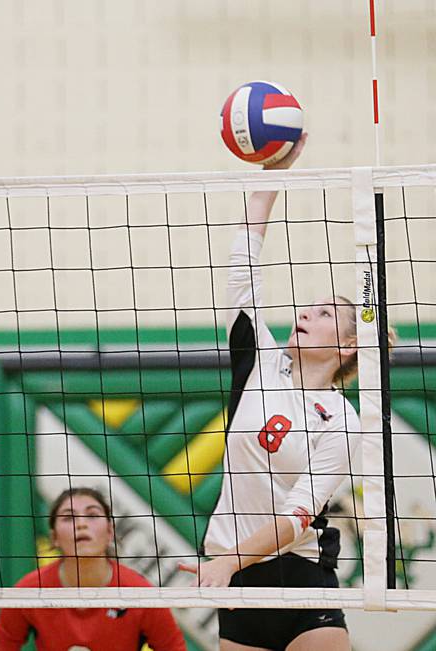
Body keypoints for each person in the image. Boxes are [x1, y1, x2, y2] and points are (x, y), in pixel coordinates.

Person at [180, 133, 370, 651]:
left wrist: (228, 560)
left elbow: (297, 514)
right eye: (307, 307)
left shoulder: (343, 419)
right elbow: (244, 270)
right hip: (239, 582)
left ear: (349, 345)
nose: (306, 314)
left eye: (326, 312)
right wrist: (271, 175)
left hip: (299, 575)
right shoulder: (261, 362)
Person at [0, 486, 187, 651]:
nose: (81, 524)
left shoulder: (139, 593)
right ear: (54, 537)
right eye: (68, 517)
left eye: (92, 515)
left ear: (110, 532)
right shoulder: (31, 591)